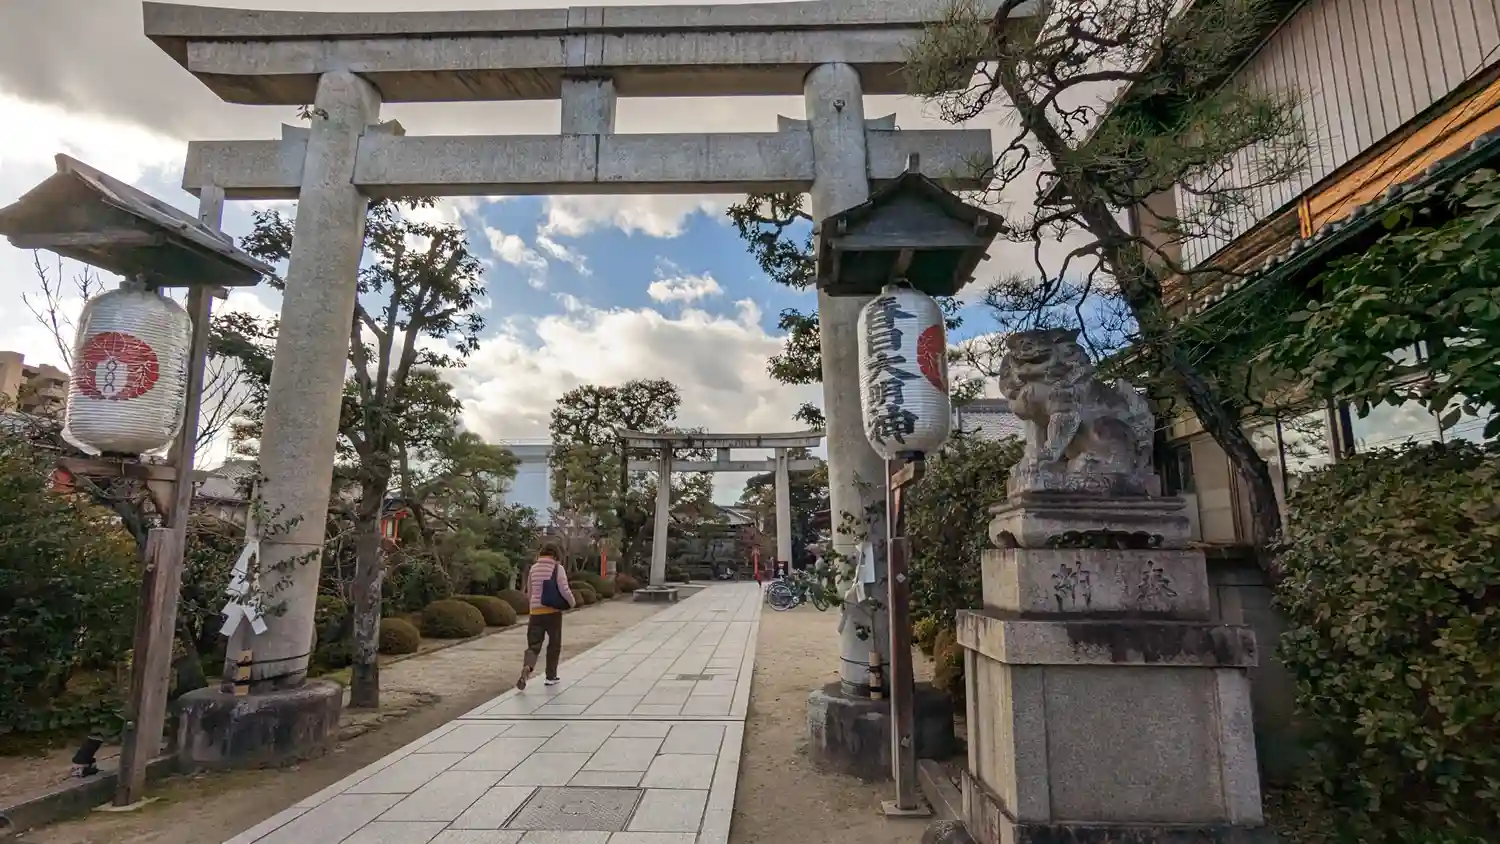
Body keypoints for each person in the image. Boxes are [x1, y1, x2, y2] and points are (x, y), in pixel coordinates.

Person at [518, 542, 574, 690]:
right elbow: (564, 589)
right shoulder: (557, 568)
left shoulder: (534, 568)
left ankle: (527, 667)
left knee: (533, 645)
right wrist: (571, 602)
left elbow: (530, 592)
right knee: (554, 644)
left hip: (535, 613)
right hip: (552, 612)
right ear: (556, 554)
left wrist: (533, 606)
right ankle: (550, 676)